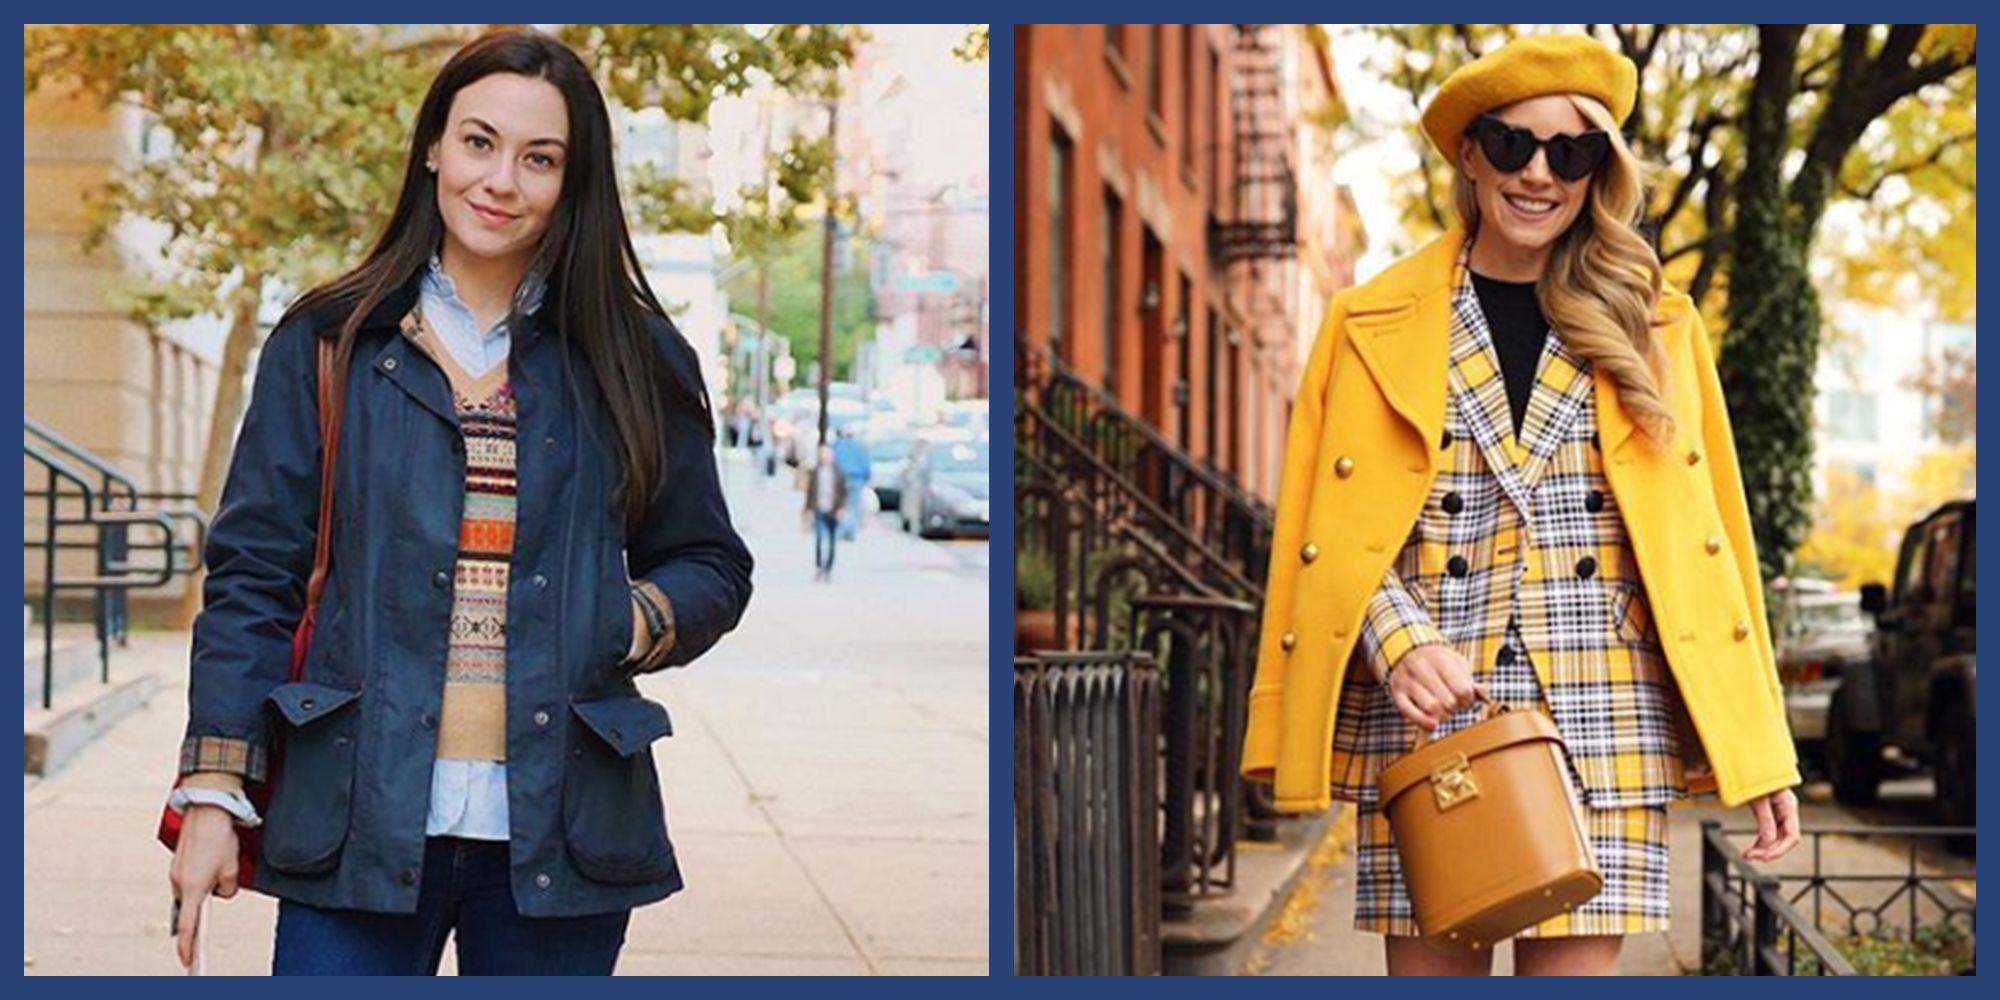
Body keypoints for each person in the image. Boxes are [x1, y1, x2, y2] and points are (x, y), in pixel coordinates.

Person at [163, 29, 754, 975]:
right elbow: (253, 579)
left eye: (540, 158)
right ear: (434, 145)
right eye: (479, 142)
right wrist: (212, 792)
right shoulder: (329, 342)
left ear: (574, 180)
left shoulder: (635, 357)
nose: (502, 181)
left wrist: (634, 617)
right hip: (355, 822)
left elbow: (710, 562)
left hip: (563, 829)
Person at [1240, 34, 1801, 976]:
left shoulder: (1657, 323)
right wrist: (1394, 637)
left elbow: (1712, 545)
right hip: (1433, 714)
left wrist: (1762, 746)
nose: (1540, 173)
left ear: (1598, 171)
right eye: (1513, 146)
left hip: (1607, 712)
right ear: (1469, 154)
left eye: (1570, 152)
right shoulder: (1367, 321)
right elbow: (1317, 532)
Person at [804, 442, 848, 580]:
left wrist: (841, 508)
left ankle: (828, 568)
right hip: (819, 509)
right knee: (819, 539)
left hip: (833, 510)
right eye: (822, 454)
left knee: (831, 540)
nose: (825, 456)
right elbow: (810, 492)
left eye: (827, 453)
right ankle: (819, 566)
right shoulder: (815, 472)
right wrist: (808, 509)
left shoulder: (839, 473)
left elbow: (843, 492)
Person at [832, 425, 872, 540]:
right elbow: (866, 464)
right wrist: (866, 478)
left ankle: (840, 530)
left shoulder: (837, 446)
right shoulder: (859, 447)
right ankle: (851, 531)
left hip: (842, 480)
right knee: (854, 507)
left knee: (841, 506)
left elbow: (834, 463)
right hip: (857, 480)